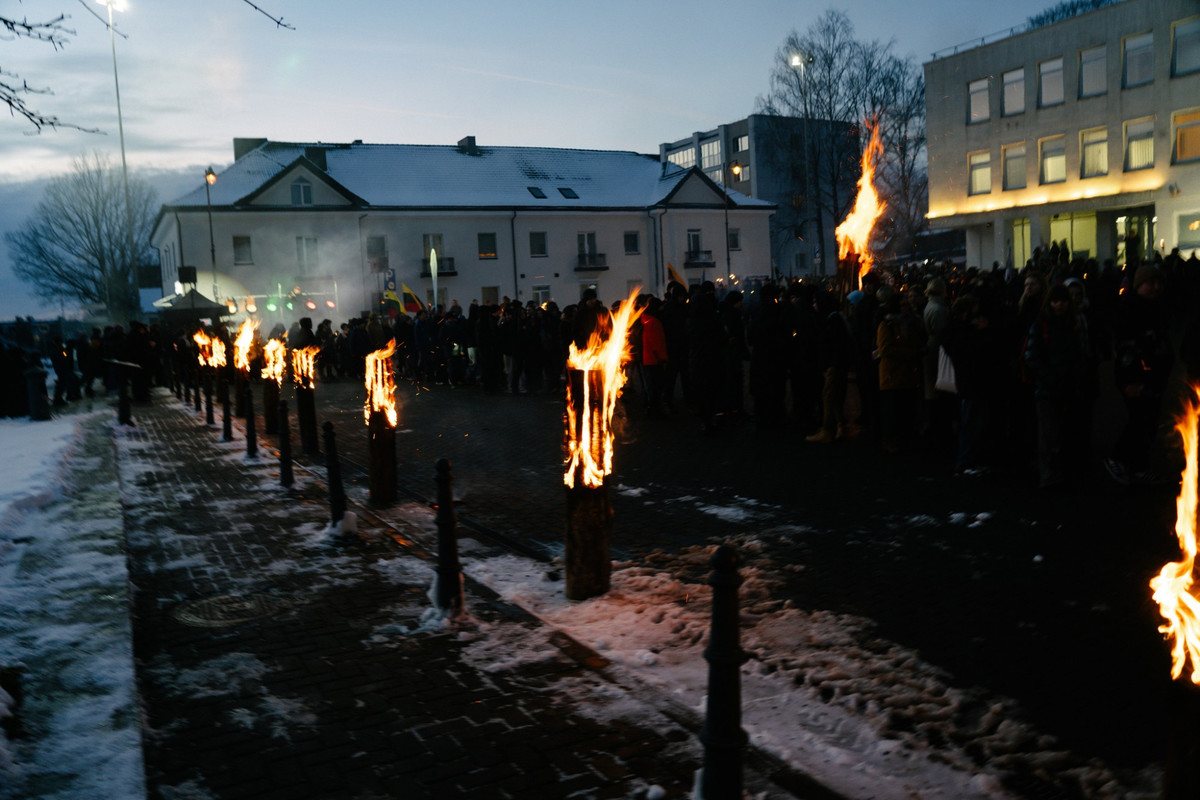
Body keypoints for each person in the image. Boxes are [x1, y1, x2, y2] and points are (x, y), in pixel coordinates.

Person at [1105, 264, 1174, 485]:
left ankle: (1139, 467)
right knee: (1139, 419)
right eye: (1150, 283)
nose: (1155, 287)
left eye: (1158, 283)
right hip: (1136, 375)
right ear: (1139, 284)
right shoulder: (1129, 309)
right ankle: (1117, 457)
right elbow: (1125, 349)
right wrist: (1129, 380)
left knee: (1150, 421)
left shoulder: (1159, 308)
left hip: (1155, 376)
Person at [1022, 283, 1088, 490]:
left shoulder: (1064, 325)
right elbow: (1032, 358)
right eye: (1055, 301)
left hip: (1062, 386)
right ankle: (1051, 477)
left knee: (1059, 433)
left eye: (1062, 301)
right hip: (1050, 388)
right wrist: (1050, 377)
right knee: (1050, 435)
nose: (1059, 305)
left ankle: (1057, 474)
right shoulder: (1044, 326)